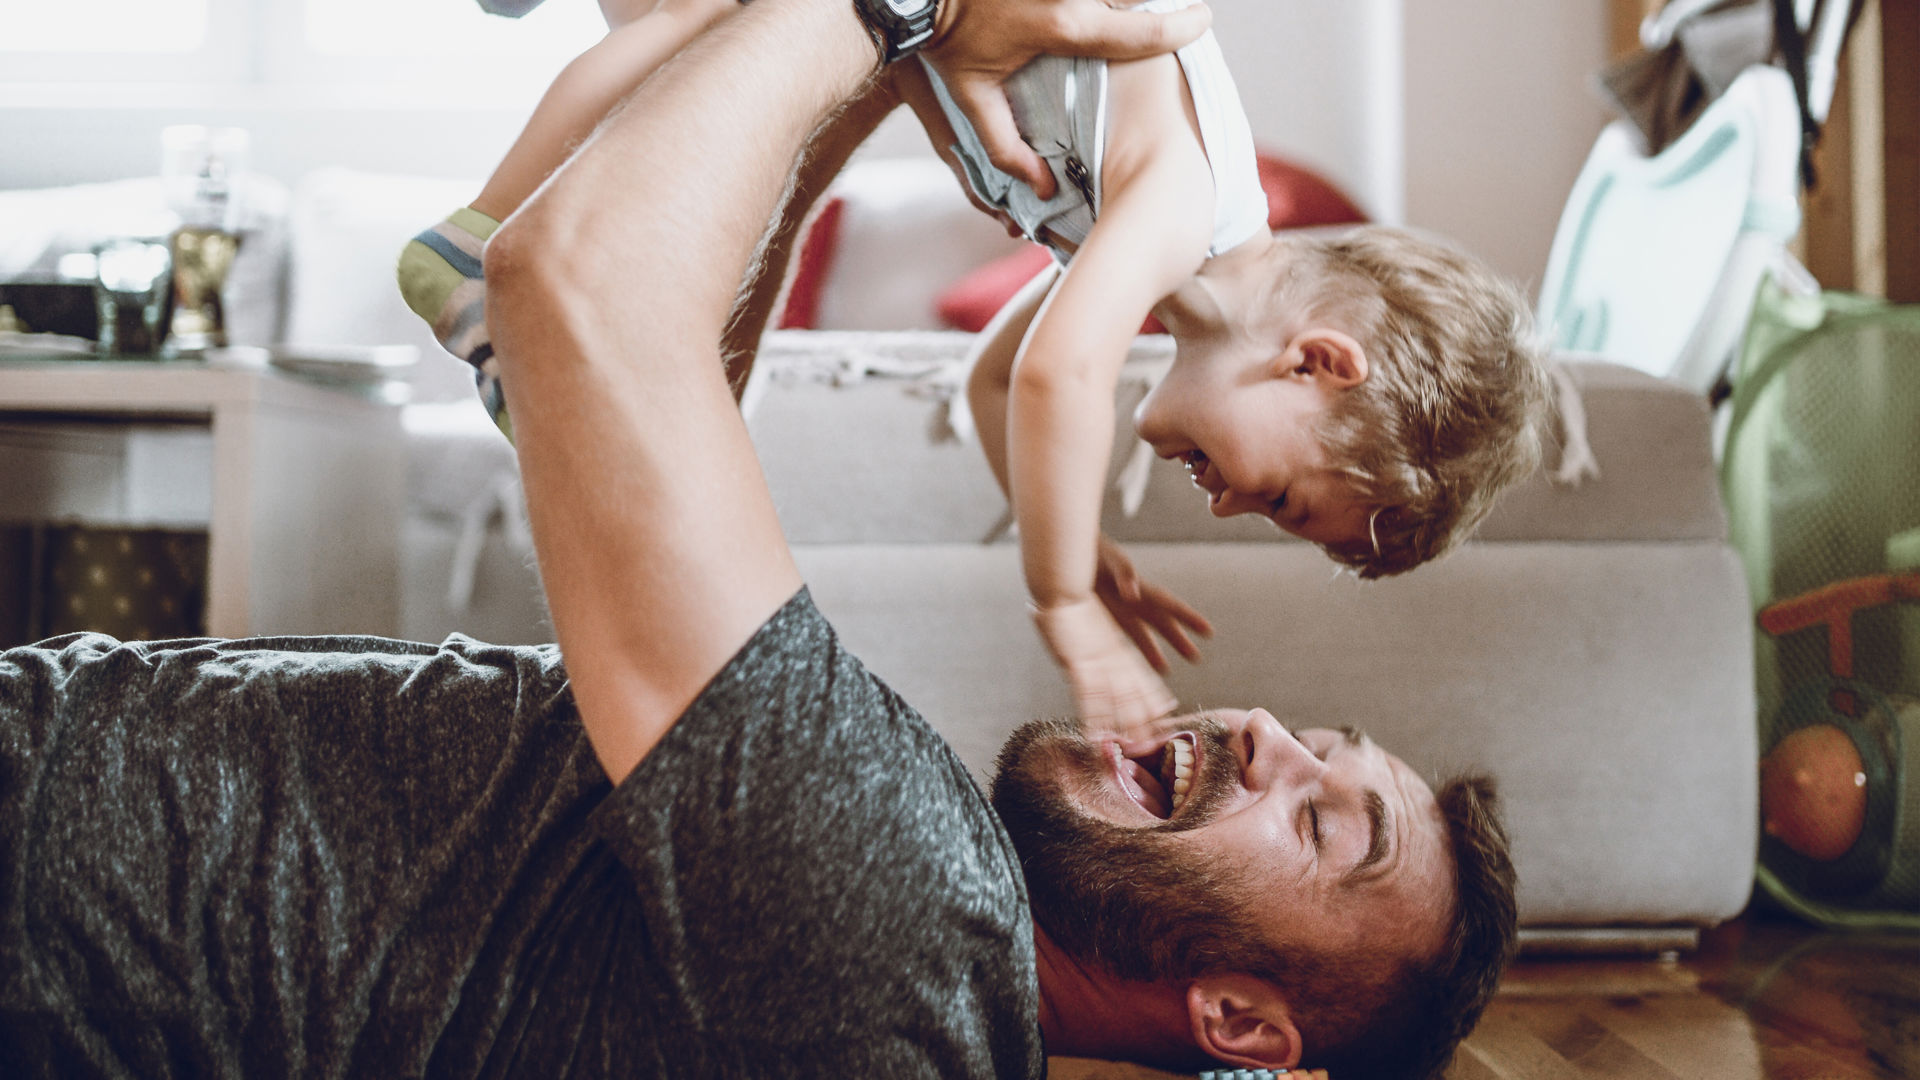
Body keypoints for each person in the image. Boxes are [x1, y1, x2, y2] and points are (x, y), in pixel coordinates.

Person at [6, 0, 1521, 1077]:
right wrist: (870, 78)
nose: (1267, 735)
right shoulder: (888, 928)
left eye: (1324, 822)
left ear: (1242, 1027)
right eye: (1323, 744)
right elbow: (637, 421)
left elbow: (578, 298)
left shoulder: (900, 920)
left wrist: (900, 9)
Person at [399, 0, 1553, 738]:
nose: (1236, 502)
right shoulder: (1189, 207)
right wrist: (1063, 606)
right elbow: (1058, 378)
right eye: (1286, 497)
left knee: (702, 26)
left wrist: (1069, 529)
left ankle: (492, 235)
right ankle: (489, 232)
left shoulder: (1157, 267)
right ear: (1317, 363)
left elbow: (996, 384)